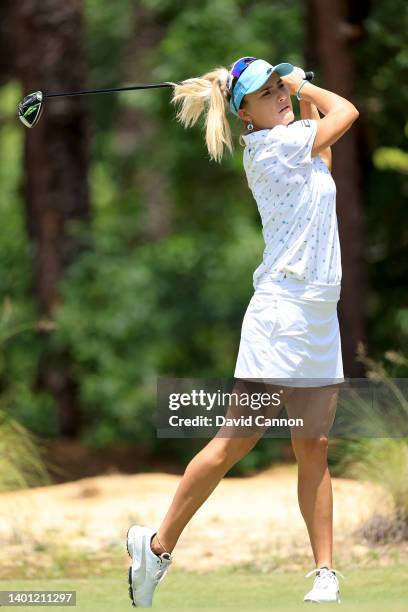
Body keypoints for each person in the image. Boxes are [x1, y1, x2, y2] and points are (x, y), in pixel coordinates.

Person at [126, 56, 358, 607]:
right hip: (281, 312)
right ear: (246, 115)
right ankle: (155, 548)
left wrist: (299, 98)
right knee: (238, 440)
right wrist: (306, 86)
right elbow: (346, 111)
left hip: (320, 312)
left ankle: (325, 574)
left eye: (279, 85)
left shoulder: (297, 142)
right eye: (267, 92)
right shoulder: (270, 149)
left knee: (315, 445)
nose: (279, 94)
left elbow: (323, 152)